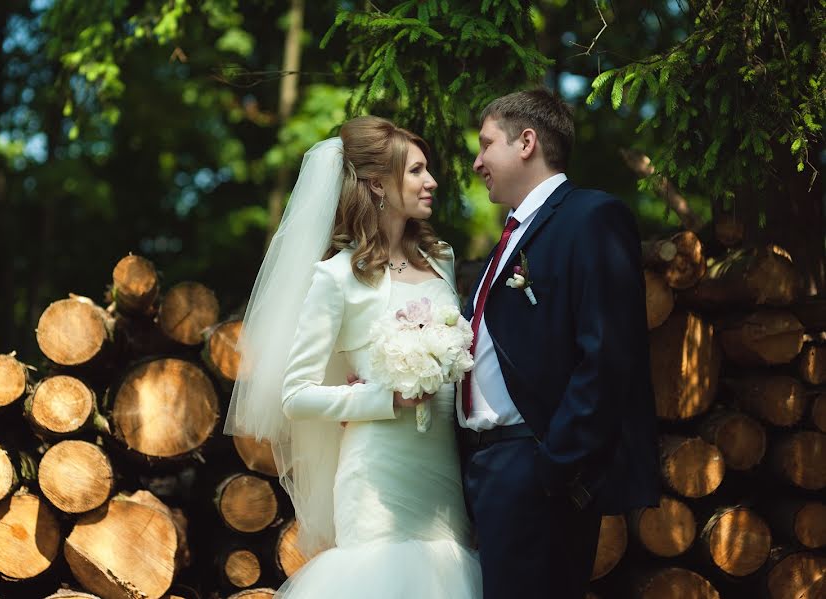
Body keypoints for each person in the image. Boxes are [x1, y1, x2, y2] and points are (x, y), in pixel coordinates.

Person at [225, 115, 481, 598]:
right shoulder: (337, 278)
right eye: (417, 171)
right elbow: (295, 396)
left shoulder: (441, 259)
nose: (432, 182)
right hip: (378, 473)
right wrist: (382, 400)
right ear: (379, 185)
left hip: (443, 468)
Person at [459, 88, 661, 599]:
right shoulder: (508, 239)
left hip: (535, 466)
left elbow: (607, 352)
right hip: (484, 468)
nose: (478, 161)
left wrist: (556, 468)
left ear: (526, 142)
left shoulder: (590, 217)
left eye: (486, 145)